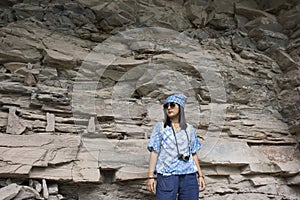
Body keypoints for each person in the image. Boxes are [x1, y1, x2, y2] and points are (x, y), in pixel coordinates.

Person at [146, 93, 206, 200]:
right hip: (167, 176)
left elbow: (193, 153)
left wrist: (200, 175)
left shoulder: (189, 129)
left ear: (180, 107)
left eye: (172, 105)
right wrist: (150, 177)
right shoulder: (160, 127)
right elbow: (154, 152)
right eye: (166, 106)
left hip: (189, 175)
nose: (169, 108)